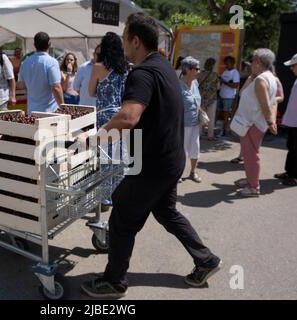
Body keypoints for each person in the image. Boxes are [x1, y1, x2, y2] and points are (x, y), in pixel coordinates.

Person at [80, 13, 221, 298]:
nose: (122, 46)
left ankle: (114, 281)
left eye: (124, 39)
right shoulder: (165, 67)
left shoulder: (142, 73)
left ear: (135, 40)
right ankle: (206, 259)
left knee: (121, 215)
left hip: (153, 164)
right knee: (166, 212)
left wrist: (93, 140)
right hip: (170, 159)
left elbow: (129, 117)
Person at [89, 31, 128, 210]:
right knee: (119, 157)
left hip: (104, 114)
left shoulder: (98, 67)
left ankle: (105, 199)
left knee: (105, 158)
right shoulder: (125, 68)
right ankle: (118, 194)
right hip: (120, 115)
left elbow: (91, 92)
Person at [233, 49, 278, 197]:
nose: (251, 63)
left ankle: (253, 187)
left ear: (258, 62)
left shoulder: (261, 79)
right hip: (253, 123)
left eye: (252, 60)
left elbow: (265, 104)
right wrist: (270, 121)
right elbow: (270, 102)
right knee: (251, 154)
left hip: (252, 123)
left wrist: (270, 121)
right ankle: (251, 180)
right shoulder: (267, 77)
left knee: (251, 156)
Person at [18, 32, 64, 113]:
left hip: (32, 111)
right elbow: (56, 87)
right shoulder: (52, 62)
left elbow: (21, 85)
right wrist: (63, 107)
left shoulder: (25, 62)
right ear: (49, 44)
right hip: (50, 112)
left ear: (34, 45)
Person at [274, 53, 297, 186]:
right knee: (292, 148)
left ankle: (295, 176)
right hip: (293, 122)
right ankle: (289, 172)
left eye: (293, 66)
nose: (291, 69)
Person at [180, 57, 203, 183]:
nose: (199, 71)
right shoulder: (178, 87)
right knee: (181, 150)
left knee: (195, 148)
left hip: (195, 122)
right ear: (187, 70)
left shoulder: (195, 83)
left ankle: (193, 172)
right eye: (197, 69)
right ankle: (178, 173)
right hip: (183, 124)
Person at [197, 58, 219, 140]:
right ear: (213, 65)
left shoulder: (200, 74)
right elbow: (218, 87)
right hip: (212, 98)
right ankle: (210, 135)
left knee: (200, 116)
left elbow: (196, 84)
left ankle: (199, 134)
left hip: (201, 97)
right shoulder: (215, 75)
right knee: (211, 117)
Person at [218, 56, 240, 136]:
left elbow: (235, 85)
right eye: (226, 63)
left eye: (228, 63)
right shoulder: (225, 71)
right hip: (221, 94)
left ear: (232, 63)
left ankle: (224, 130)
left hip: (229, 97)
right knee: (220, 112)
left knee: (226, 114)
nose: (226, 65)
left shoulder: (235, 73)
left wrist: (224, 82)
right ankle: (221, 129)